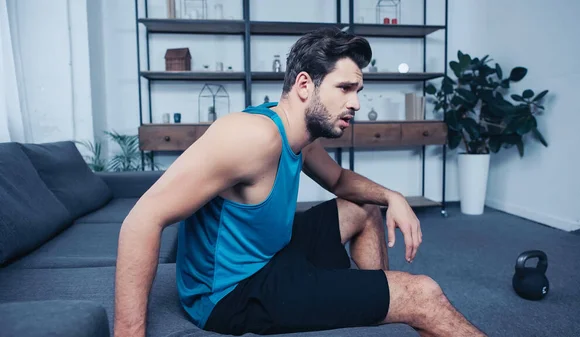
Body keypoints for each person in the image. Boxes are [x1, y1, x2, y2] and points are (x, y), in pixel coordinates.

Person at [114, 27, 486, 337]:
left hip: (270, 253)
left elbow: (339, 180)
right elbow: (142, 220)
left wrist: (393, 197)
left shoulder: (298, 133)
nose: (355, 102)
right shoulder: (251, 138)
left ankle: (374, 309)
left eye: (359, 91)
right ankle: (398, 301)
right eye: (345, 88)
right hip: (230, 293)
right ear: (305, 84)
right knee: (423, 293)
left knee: (364, 209)